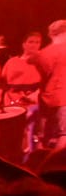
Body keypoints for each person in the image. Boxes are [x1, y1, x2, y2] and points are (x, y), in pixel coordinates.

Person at [35, 19, 66, 152]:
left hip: (47, 100)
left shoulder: (43, 53)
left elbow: (39, 79)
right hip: (64, 100)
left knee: (46, 140)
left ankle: (40, 167)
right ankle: (46, 167)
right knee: (64, 138)